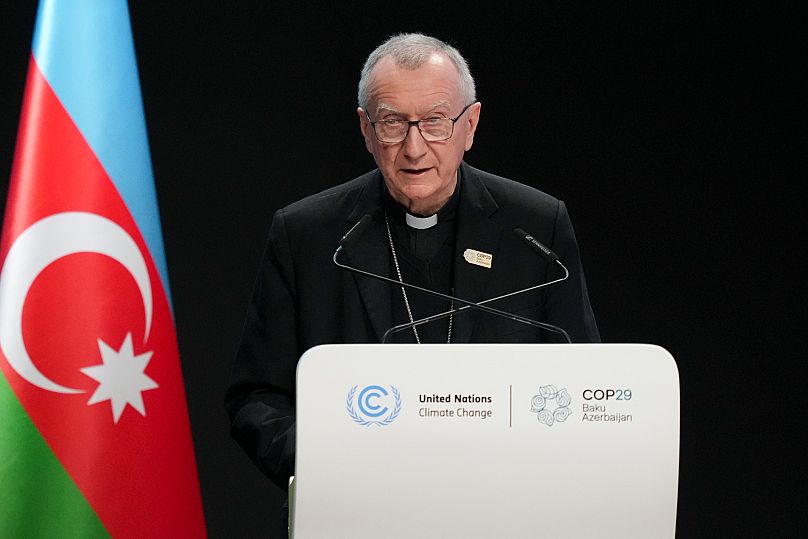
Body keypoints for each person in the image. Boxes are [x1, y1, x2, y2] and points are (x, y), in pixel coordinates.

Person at [225, 31, 600, 516]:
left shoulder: (534, 227)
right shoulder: (307, 235)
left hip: (500, 511)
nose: (415, 148)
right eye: (393, 123)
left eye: (435, 122)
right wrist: (330, 470)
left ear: (470, 125)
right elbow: (257, 397)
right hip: (353, 512)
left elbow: (582, 384)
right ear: (366, 129)